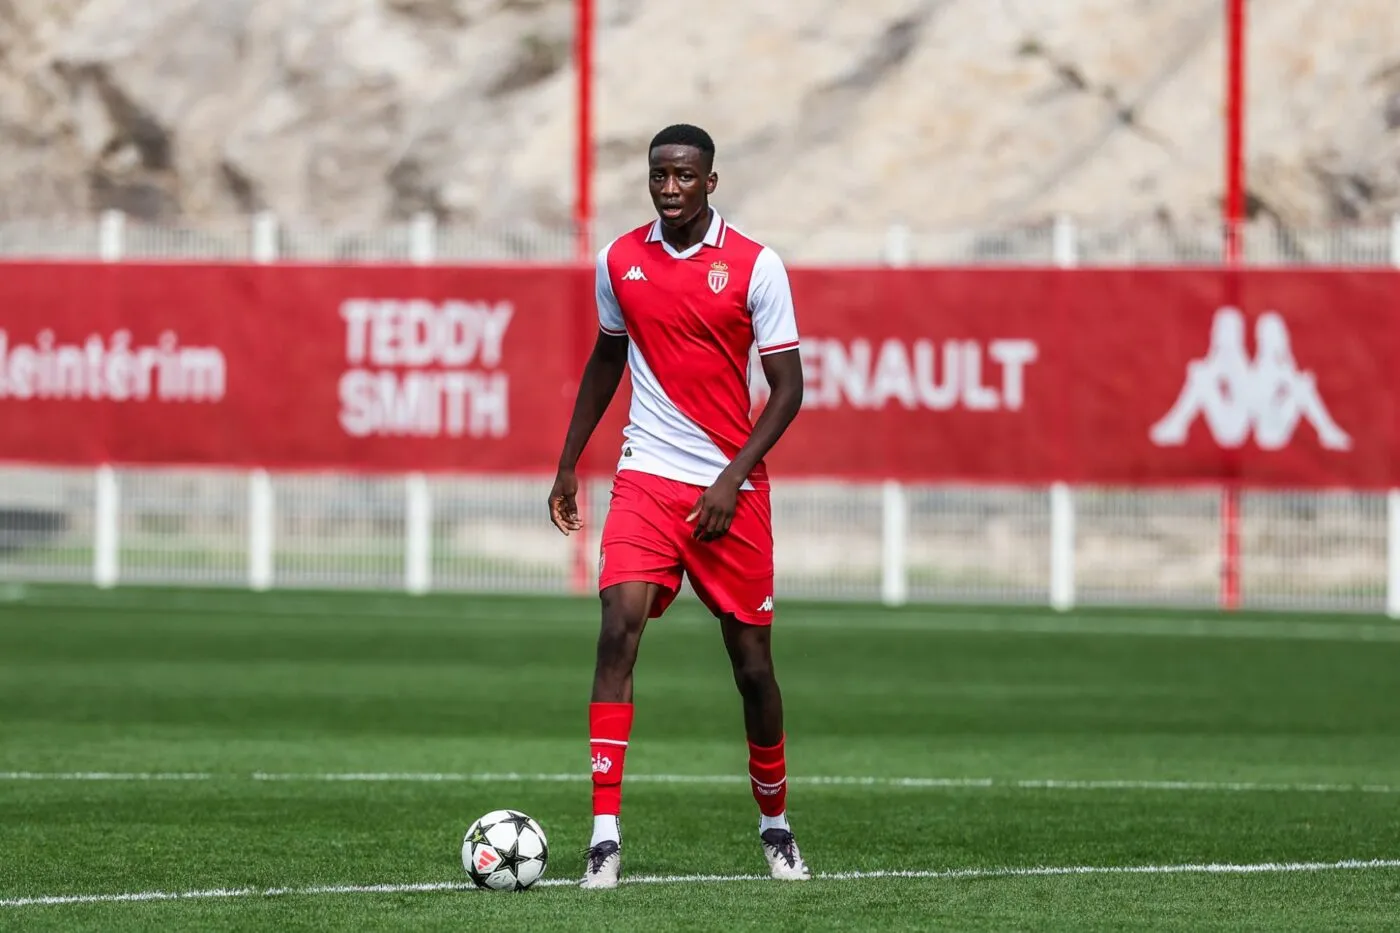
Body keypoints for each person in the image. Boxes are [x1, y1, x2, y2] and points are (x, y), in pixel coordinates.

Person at [548, 123, 810, 890]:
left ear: (710, 182)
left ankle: (775, 823)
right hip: (647, 478)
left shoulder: (756, 266)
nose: (670, 188)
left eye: (685, 176)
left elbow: (788, 388)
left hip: (732, 490)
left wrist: (732, 477)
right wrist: (569, 460)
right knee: (616, 630)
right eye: (659, 174)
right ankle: (603, 837)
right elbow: (606, 358)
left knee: (753, 669)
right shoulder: (619, 260)